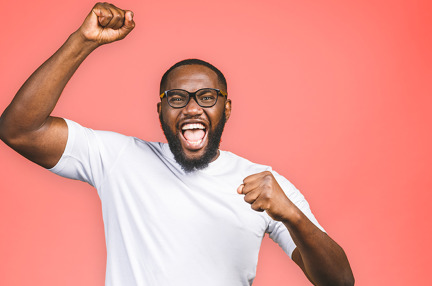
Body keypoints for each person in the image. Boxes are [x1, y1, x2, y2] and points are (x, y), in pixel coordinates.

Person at [0, 3, 354, 286]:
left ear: (226, 108)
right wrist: (84, 41)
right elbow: (19, 129)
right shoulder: (119, 158)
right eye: (177, 98)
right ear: (160, 110)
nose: (192, 107)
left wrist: (292, 214)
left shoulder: (265, 185)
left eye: (206, 96)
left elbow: (340, 282)